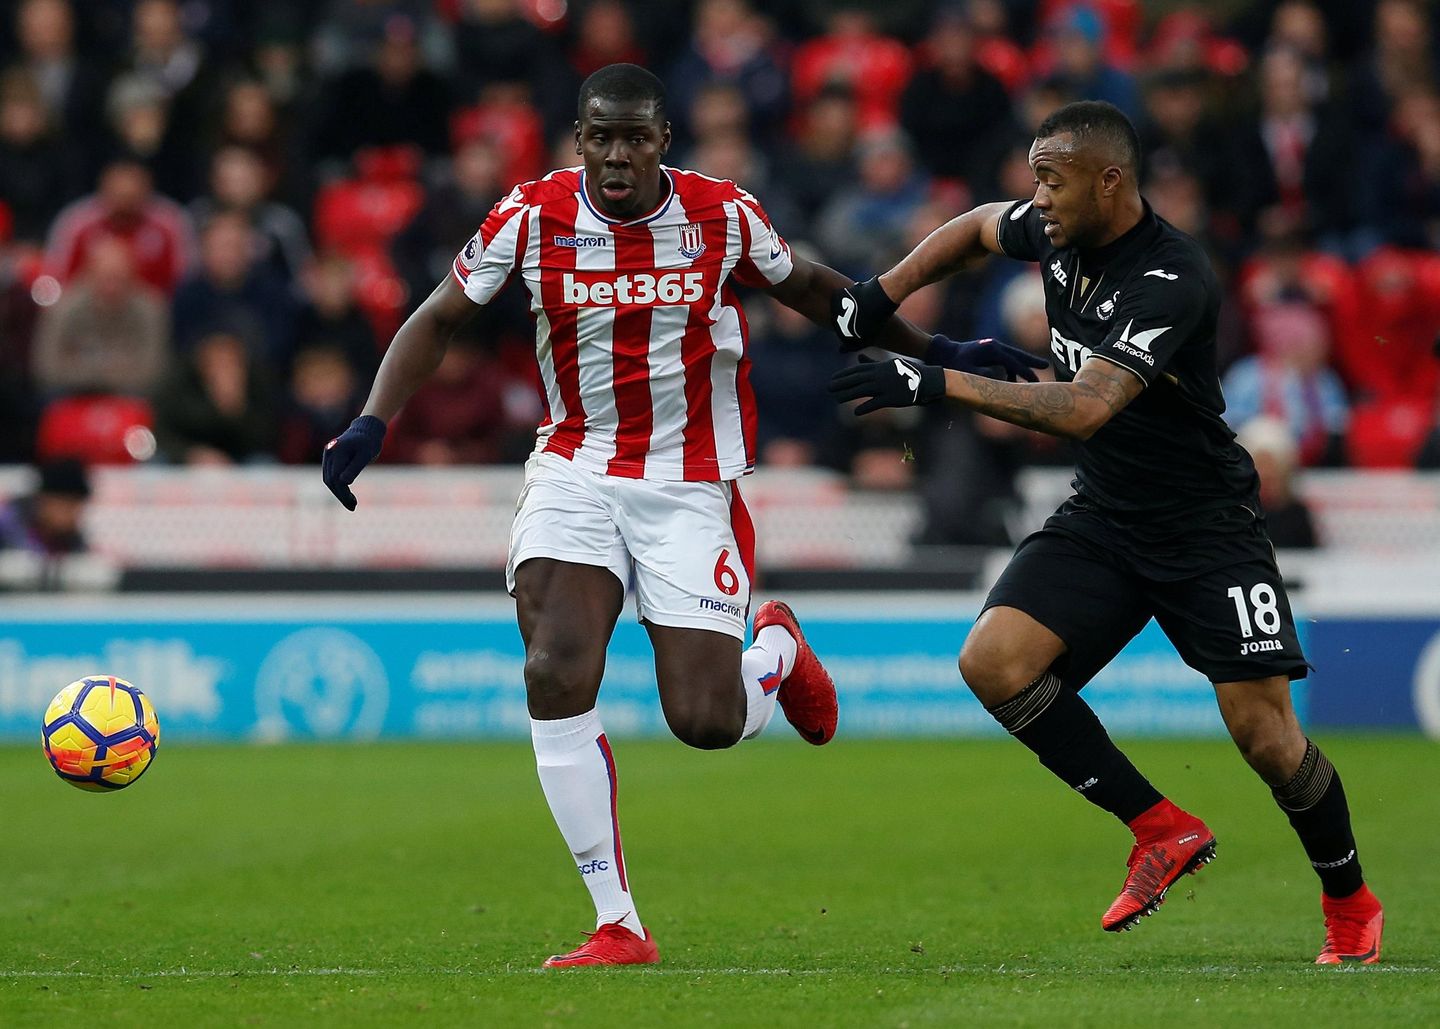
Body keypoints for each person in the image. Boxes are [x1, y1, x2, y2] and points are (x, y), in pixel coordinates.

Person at [322, 63, 1042, 970]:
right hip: (575, 469)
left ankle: (774, 649)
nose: (616, 155)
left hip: (690, 482)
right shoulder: (530, 215)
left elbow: (820, 292)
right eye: (599, 137)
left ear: (663, 139)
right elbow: (437, 318)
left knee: (706, 719)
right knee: (553, 666)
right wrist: (371, 419)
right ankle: (617, 920)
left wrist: (935, 350)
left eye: (633, 137)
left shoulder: (721, 214)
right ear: (578, 140)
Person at [827, 100, 1383, 964]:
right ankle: (1160, 827)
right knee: (993, 662)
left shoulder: (1172, 278)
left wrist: (940, 382)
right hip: (1107, 512)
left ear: (1110, 179)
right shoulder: (1054, 230)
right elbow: (976, 227)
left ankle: (1350, 900)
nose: (1036, 195)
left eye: (1052, 177)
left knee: (1265, 736)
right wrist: (881, 292)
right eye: (1035, 175)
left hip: (1207, 527)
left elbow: (1087, 405)